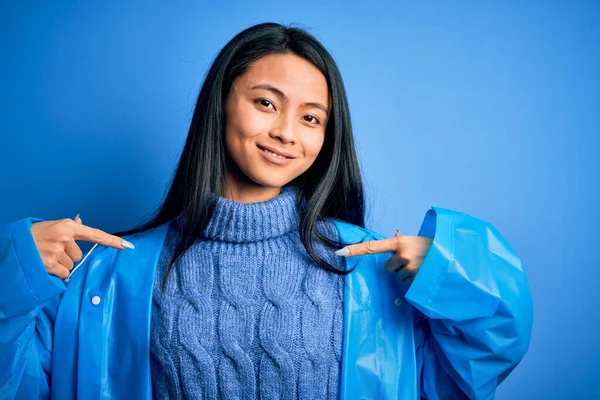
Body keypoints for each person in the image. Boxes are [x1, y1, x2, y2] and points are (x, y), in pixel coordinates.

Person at [0, 22, 533, 400]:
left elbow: (475, 368)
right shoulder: (110, 273)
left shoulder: (369, 271)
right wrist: (13, 269)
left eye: (311, 118)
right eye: (265, 103)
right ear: (220, 103)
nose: (285, 132)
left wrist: (451, 269)